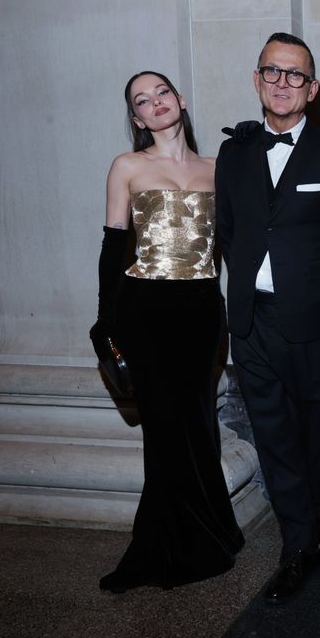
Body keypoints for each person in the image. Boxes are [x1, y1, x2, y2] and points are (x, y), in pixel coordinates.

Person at [215, 33, 320, 603]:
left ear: (313, 88)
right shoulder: (233, 155)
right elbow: (229, 231)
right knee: (275, 436)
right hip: (252, 323)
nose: (283, 83)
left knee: (316, 436)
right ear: (257, 79)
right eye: (272, 72)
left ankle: (308, 526)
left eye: (295, 74)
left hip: (316, 327)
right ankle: (299, 544)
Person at [91, 70, 245, 593]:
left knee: (198, 423)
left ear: (179, 100)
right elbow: (113, 246)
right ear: (137, 119)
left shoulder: (219, 168)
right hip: (146, 309)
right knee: (162, 431)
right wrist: (106, 319)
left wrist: (251, 149)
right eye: (142, 100)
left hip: (202, 309)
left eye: (162, 92)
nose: (155, 103)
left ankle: (213, 533)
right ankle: (152, 551)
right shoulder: (128, 166)